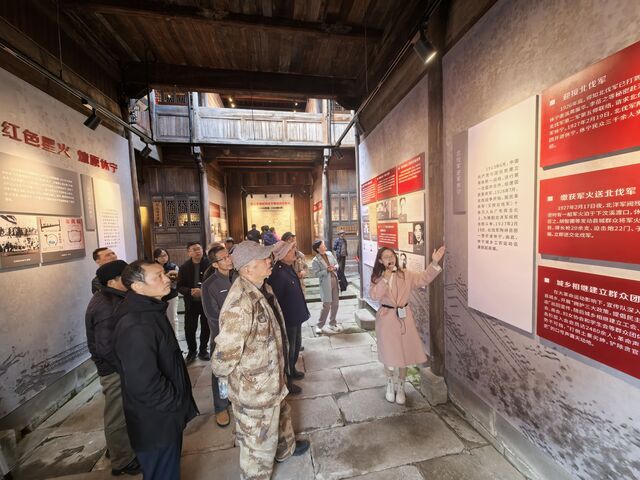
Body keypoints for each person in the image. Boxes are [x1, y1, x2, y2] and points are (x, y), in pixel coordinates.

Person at [211, 241, 309, 479]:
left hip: (272, 376)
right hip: (256, 387)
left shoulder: (263, 286)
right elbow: (223, 357)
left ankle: (285, 449)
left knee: (281, 413)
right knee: (258, 439)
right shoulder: (240, 304)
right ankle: (255, 475)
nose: (269, 261)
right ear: (247, 268)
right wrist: (239, 380)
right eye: (264, 259)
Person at [114, 261, 198, 480]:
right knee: (162, 472)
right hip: (157, 420)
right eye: (158, 276)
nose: (166, 279)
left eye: (164, 274)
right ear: (138, 287)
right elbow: (143, 382)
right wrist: (174, 403)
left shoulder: (151, 309)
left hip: (164, 417)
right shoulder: (136, 323)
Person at [369, 246, 445, 405]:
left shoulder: (405, 274)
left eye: (392, 255)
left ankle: (401, 386)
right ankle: (390, 384)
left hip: (404, 318)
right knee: (389, 354)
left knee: (402, 355)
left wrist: (434, 263)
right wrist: (385, 279)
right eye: (386, 256)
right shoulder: (377, 277)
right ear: (380, 261)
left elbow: (423, 278)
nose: (390, 258)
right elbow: (374, 295)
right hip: (386, 319)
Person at [85, 260, 141, 477]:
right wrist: (126, 368)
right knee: (117, 415)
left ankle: (121, 449)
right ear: (112, 282)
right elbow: (106, 348)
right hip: (115, 370)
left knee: (126, 412)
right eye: (124, 276)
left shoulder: (115, 297)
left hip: (122, 366)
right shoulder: (106, 306)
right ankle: (122, 460)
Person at [267, 241, 309, 395]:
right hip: (288, 318)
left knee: (296, 345)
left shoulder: (288, 267)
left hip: (295, 315)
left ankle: (293, 369)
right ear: (282, 254)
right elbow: (276, 300)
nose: (294, 252)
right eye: (291, 250)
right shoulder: (277, 273)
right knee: (288, 349)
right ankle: (287, 380)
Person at [200, 245, 236, 428]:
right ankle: (221, 407)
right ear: (215, 264)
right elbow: (212, 315)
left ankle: (236, 397)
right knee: (220, 374)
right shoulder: (209, 285)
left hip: (242, 334)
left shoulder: (238, 276)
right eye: (224, 258)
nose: (229, 259)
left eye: (229, 255)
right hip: (222, 337)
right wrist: (230, 329)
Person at [176, 241, 211, 363]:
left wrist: (202, 291)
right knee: (190, 328)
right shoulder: (184, 267)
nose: (197, 251)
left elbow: (214, 283)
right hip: (191, 303)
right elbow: (179, 286)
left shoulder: (210, 265)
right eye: (194, 250)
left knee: (206, 327)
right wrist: (190, 291)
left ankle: (203, 350)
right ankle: (191, 351)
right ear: (189, 252)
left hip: (206, 302)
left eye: (199, 249)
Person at [311, 240, 342, 335]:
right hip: (325, 283)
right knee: (326, 305)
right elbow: (316, 273)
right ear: (318, 249)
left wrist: (334, 267)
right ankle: (319, 325)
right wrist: (326, 270)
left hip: (335, 280)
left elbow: (337, 264)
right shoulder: (315, 260)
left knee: (335, 304)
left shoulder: (329, 254)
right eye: (322, 245)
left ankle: (332, 323)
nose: (324, 246)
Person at [153, 248, 179, 330]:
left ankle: (175, 336)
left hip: (171, 294)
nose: (164, 258)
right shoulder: (152, 268)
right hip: (157, 295)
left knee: (172, 318)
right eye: (161, 256)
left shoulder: (173, 267)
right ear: (156, 258)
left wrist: (170, 279)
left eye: (165, 255)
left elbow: (176, 283)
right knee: (159, 318)